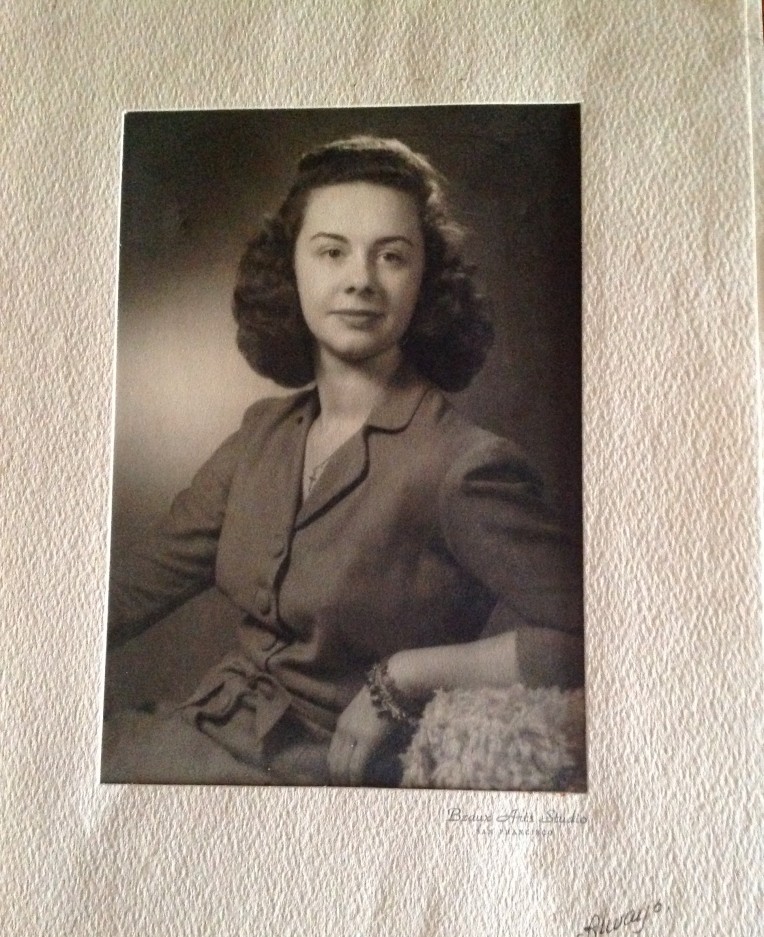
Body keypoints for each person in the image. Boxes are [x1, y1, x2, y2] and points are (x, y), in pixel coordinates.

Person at [103, 135, 583, 788]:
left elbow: (589, 638)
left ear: (426, 281)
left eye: (392, 256)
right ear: (292, 268)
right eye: (331, 251)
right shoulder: (263, 434)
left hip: (317, 784)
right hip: (197, 737)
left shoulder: (463, 466)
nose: (360, 278)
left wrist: (403, 676)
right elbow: (129, 592)